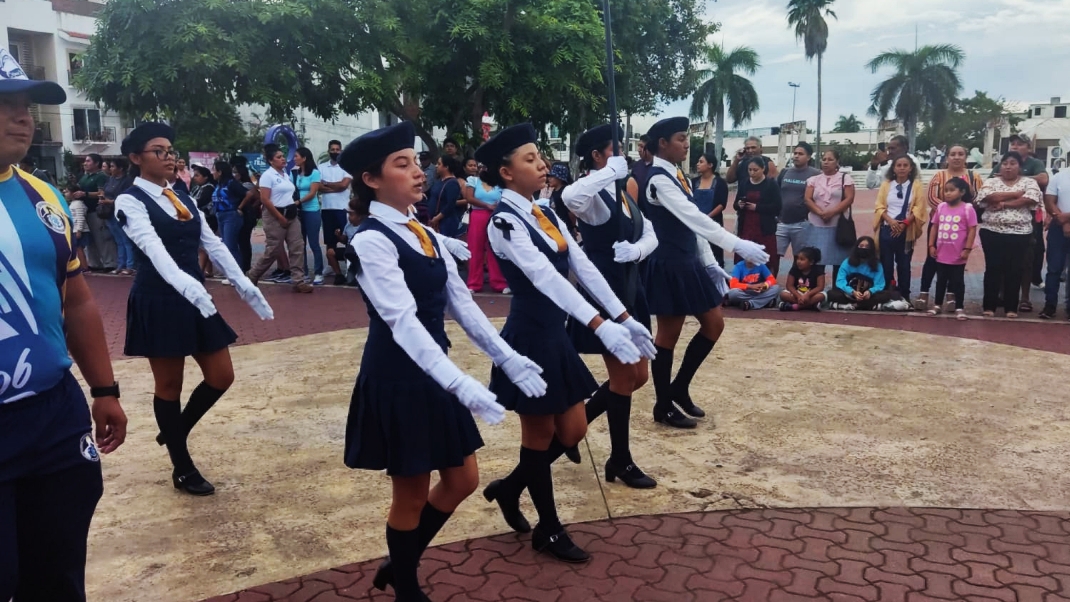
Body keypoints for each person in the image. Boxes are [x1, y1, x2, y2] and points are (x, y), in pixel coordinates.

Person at [334, 123, 545, 601]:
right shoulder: (371, 240)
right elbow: (402, 322)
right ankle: (407, 587)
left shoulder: (420, 231)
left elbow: (463, 304)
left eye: (414, 162)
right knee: (410, 493)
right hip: (398, 376)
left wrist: (507, 358)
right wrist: (463, 384)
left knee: (464, 479)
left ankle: (400, 559)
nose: (416, 172)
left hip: (435, 371)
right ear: (371, 179)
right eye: (401, 164)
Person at [477, 123, 652, 563]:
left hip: (556, 335)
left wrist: (623, 317)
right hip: (530, 337)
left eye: (540, 157)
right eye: (530, 159)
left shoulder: (547, 213)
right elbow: (545, 277)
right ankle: (548, 529)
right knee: (538, 435)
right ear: (505, 172)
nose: (542, 165)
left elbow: (585, 267)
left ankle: (510, 486)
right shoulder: (503, 222)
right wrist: (598, 325)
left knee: (573, 429)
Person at [0, 50, 128, 601]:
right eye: (4, 105)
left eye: (25, 105)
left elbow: (75, 299)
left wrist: (104, 388)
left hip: (52, 413)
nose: (23, 117)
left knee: (56, 575)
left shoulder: (43, 194)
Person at [115, 122, 273, 496]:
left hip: (195, 298)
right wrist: (187, 284)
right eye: (159, 151)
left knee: (222, 375)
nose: (169, 157)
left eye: (171, 150)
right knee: (169, 385)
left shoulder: (182, 195)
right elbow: (153, 249)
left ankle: (174, 432)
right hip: (160, 298)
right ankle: (182, 466)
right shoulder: (130, 200)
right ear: (136, 158)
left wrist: (243, 282)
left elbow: (213, 243)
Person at [639, 116, 768, 429]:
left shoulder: (678, 175)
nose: (687, 144)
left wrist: (710, 264)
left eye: (686, 138)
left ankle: (679, 387)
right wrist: (737, 243)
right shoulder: (658, 179)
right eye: (681, 139)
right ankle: (663, 405)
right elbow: (695, 219)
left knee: (714, 324)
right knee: (668, 335)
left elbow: (692, 223)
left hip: (688, 261)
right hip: (669, 262)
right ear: (663, 144)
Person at [560, 123, 659, 489]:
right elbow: (570, 199)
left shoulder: (623, 190)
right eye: (613, 150)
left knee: (638, 377)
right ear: (599, 157)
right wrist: (604, 174)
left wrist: (637, 250)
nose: (624, 155)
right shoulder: (593, 193)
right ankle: (621, 459)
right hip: (605, 290)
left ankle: (570, 431)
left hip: (633, 285)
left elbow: (649, 231)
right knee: (623, 378)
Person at [916, 146, 985, 309]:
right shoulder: (939, 176)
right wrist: (948, 209)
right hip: (939, 224)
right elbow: (932, 197)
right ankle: (924, 292)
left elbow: (979, 196)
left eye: (960, 154)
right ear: (947, 157)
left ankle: (951, 294)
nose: (956, 157)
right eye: (952, 154)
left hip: (961, 227)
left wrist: (960, 211)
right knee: (932, 258)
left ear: (966, 157)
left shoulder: (973, 176)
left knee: (956, 261)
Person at [975, 152, 1043, 318]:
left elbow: (1030, 199)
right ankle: (989, 306)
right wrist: (1015, 194)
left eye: (1013, 163)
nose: (1008, 166)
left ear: (1019, 166)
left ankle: (1011, 307)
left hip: (1020, 233)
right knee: (993, 268)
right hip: (992, 232)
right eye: (1005, 163)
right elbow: (986, 196)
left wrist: (1004, 204)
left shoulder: (1029, 182)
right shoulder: (991, 181)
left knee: (1015, 269)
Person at [990, 133, 1049, 312]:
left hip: (1028, 220)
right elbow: (991, 184)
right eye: (1012, 144)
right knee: (1000, 259)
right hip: (999, 220)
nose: (1014, 147)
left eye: (1020, 144)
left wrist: (1018, 178)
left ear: (1028, 147)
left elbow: (1044, 179)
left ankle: (1024, 298)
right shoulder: (1002, 162)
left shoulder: (1034, 163)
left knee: (1027, 258)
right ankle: (1001, 294)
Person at [247, 144, 313, 293]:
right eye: (278, 157)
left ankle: (298, 280)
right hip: (274, 215)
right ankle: (253, 275)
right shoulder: (268, 176)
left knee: (297, 247)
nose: (283, 159)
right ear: (271, 161)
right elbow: (265, 199)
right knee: (273, 250)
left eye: (283, 156)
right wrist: (279, 217)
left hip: (291, 213)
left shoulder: (286, 174)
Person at [873, 155, 927, 300]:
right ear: (894, 168)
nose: (902, 168)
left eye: (905, 165)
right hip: (887, 229)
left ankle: (905, 295)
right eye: (899, 165)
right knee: (886, 264)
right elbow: (879, 206)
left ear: (911, 168)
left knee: (904, 265)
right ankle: (887, 292)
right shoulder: (886, 185)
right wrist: (891, 221)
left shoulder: (916, 185)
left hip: (906, 231)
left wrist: (905, 224)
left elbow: (919, 208)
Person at [926, 177, 977, 320]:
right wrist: (931, 245)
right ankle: (937, 305)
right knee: (941, 279)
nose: (947, 193)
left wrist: (967, 249)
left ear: (962, 192)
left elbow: (972, 229)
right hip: (942, 251)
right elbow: (934, 226)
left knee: (957, 281)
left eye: (951, 190)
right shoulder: (941, 207)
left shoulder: (967, 208)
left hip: (957, 253)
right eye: (946, 190)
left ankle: (959, 307)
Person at [803, 149, 855, 282]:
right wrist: (820, 213)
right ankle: (817, 290)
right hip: (817, 225)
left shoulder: (845, 178)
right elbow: (807, 199)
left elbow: (849, 199)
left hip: (838, 226)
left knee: (839, 262)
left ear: (837, 162)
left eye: (830, 159)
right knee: (817, 260)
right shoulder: (813, 180)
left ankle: (837, 293)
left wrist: (832, 212)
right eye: (824, 159)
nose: (826, 162)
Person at [462, 162, 509, 293]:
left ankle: (499, 283)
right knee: (475, 248)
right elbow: (469, 198)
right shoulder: (473, 180)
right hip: (477, 215)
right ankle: (473, 283)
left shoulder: (499, 183)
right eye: (481, 166)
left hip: (495, 216)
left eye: (486, 166)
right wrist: (486, 206)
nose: (484, 168)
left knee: (495, 248)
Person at [733, 156, 783, 276]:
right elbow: (735, 204)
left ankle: (768, 283)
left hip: (764, 227)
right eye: (750, 170)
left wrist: (757, 207)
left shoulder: (771, 184)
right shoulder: (744, 183)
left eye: (755, 170)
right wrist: (739, 204)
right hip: (746, 226)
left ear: (763, 169)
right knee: (744, 254)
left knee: (767, 256)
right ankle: (743, 281)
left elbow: (777, 207)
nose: (752, 173)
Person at [827, 237, 907, 310]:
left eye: (867, 247)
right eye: (861, 246)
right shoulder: (847, 262)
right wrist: (852, 292)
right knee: (831, 294)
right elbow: (840, 281)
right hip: (849, 294)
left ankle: (847, 306)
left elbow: (880, 284)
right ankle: (870, 306)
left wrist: (870, 292)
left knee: (886, 295)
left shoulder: (877, 265)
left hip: (868, 296)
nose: (864, 248)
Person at [776, 142, 821, 266]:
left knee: (801, 258)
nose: (796, 156)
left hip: (802, 223)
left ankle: (797, 283)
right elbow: (776, 193)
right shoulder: (785, 172)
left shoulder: (816, 174)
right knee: (773, 256)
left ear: (808, 157)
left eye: (800, 154)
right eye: (795, 153)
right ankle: (771, 282)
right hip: (781, 223)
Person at [319, 140, 353, 285]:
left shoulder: (346, 167)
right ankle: (331, 266)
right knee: (329, 239)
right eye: (332, 149)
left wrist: (327, 184)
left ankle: (349, 267)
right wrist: (336, 186)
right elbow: (318, 186)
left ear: (341, 151)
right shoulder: (321, 167)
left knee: (346, 238)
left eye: (337, 149)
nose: (335, 151)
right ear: (328, 151)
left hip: (342, 208)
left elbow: (344, 186)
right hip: (327, 208)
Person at [73, 153, 115, 270]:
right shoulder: (84, 177)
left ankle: (109, 263)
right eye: (85, 161)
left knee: (101, 237)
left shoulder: (101, 176)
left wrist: (85, 194)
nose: (85, 163)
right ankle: (94, 263)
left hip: (96, 211)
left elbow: (101, 193)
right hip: (84, 210)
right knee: (90, 240)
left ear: (97, 163)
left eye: (88, 161)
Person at [691, 151, 730, 265]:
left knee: (714, 255)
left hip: (712, 223)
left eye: (701, 162)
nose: (698, 164)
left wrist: (707, 218)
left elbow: (721, 204)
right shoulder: (693, 182)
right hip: (695, 223)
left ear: (710, 165)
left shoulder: (720, 183)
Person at [1041, 167, 1070, 319]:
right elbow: (1049, 201)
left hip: (1063, 221)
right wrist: (1062, 221)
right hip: (1058, 228)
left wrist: (1067, 219)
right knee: (1054, 268)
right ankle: (1049, 305)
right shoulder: (1059, 177)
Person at [293, 147, 324, 284]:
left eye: (297, 156)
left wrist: (299, 202)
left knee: (314, 243)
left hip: (311, 211)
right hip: (299, 212)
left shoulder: (315, 173)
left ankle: (318, 272)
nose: (294, 158)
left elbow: (312, 193)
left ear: (304, 158)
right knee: (301, 243)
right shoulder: (295, 173)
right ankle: (303, 271)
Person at [100, 158, 137, 275]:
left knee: (126, 240)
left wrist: (110, 201)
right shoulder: (110, 179)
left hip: (121, 213)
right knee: (118, 240)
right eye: (110, 166)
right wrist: (102, 197)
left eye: (113, 166)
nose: (111, 169)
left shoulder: (127, 181)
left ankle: (130, 266)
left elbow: (128, 197)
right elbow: (105, 191)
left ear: (120, 168)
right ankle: (120, 265)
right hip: (109, 213)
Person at [211, 160, 248, 268]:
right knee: (226, 245)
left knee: (230, 246)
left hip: (231, 215)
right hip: (220, 216)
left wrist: (240, 207)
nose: (212, 172)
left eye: (214, 170)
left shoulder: (231, 183)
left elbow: (249, 194)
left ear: (220, 172)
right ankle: (231, 271)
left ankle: (238, 272)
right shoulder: (219, 184)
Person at [232, 161, 261, 273]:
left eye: (235, 172)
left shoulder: (246, 185)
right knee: (242, 242)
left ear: (240, 173)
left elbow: (259, 198)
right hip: (242, 216)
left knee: (243, 242)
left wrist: (249, 208)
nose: (233, 174)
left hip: (246, 217)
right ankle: (244, 266)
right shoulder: (238, 185)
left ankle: (245, 267)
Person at [428, 154, 465, 237]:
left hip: (445, 222)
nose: (436, 166)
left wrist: (437, 218)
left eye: (439, 164)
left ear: (446, 167)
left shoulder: (452, 183)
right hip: (435, 220)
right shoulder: (439, 181)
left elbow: (450, 204)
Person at [779, 247, 826, 311]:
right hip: (797, 294)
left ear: (811, 262)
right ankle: (810, 306)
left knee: (822, 296)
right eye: (797, 259)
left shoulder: (818, 270)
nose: (798, 261)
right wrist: (798, 296)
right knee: (783, 294)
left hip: (811, 294)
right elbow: (789, 286)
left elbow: (820, 287)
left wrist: (808, 295)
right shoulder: (794, 269)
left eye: (802, 259)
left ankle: (795, 306)